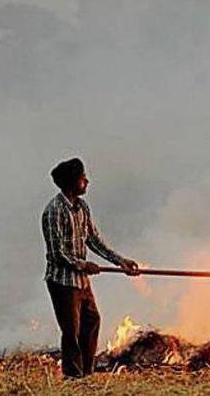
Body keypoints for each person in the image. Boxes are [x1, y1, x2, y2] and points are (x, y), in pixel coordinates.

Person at [41, 157, 139, 379]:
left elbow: (93, 239)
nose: (87, 181)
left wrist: (120, 261)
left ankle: (87, 374)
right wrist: (83, 264)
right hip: (62, 282)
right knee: (71, 332)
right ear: (71, 182)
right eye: (82, 178)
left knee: (92, 321)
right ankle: (73, 377)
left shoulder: (82, 207)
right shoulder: (54, 211)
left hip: (81, 281)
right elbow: (58, 254)